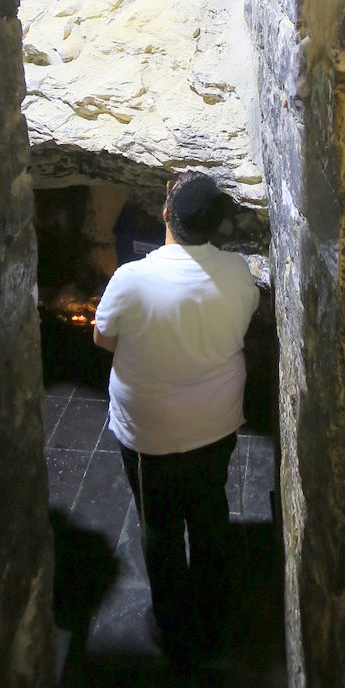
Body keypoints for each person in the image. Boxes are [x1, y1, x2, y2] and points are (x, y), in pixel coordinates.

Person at [92, 171, 259, 662]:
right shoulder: (238, 272)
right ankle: (211, 611)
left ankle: (171, 624)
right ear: (217, 225)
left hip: (152, 434)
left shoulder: (132, 279)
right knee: (209, 511)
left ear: (165, 215)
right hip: (217, 421)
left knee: (161, 527)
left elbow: (103, 338)